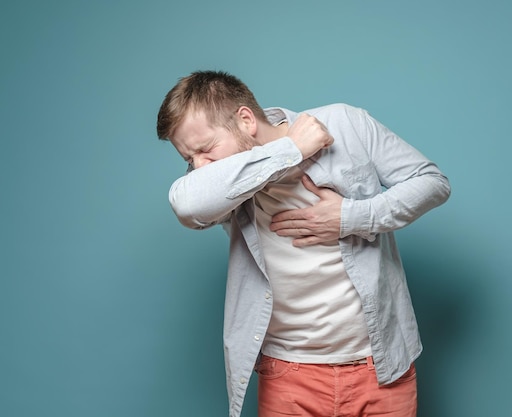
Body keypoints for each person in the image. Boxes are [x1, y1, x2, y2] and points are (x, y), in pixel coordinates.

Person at [156, 70, 450, 417]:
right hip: (289, 375)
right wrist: (290, 150)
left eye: (205, 150)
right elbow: (187, 205)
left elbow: (432, 182)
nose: (200, 166)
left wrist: (350, 218)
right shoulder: (222, 184)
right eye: (189, 159)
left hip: (382, 368)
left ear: (246, 120)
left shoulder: (344, 124)